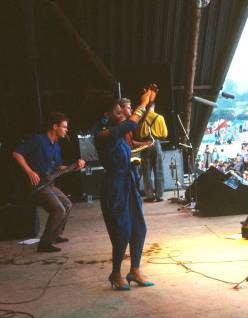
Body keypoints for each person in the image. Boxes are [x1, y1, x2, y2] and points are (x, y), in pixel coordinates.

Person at [93, 88, 157, 291]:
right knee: (122, 231)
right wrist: (143, 103)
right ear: (107, 114)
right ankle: (115, 273)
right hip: (114, 187)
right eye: (117, 110)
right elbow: (130, 122)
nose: (121, 112)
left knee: (139, 228)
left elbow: (130, 122)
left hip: (128, 183)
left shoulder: (116, 131)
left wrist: (145, 105)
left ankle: (135, 270)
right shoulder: (104, 133)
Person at [13, 112, 85, 252]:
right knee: (58, 209)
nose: (66, 130)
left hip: (48, 183)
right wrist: (29, 171)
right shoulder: (39, 140)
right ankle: (44, 244)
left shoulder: (56, 145)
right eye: (64, 127)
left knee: (67, 204)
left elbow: (59, 167)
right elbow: (17, 153)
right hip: (37, 185)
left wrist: (75, 166)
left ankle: (55, 234)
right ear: (54, 126)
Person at [136, 103, 168, 202]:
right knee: (159, 170)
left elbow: (137, 134)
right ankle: (159, 195)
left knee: (146, 171)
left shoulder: (141, 119)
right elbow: (165, 134)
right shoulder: (159, 117)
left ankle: (149, 196)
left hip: (145, 144)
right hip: (156, 143)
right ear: (154, 107)